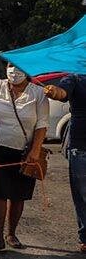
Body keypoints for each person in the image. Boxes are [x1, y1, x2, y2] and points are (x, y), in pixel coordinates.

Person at [0, 62, 49, 252]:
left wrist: (35, 150)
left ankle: (12, 233)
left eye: (19, 66)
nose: (14, 70)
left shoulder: (39, 93)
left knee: (18, 194)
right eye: (10, 65)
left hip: (25, 151)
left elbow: (42, 124)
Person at [44, 74, 86, 254]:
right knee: (83, 195)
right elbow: (62, 92)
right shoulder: (75, 77)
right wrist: (54, 91)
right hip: (81, 147)